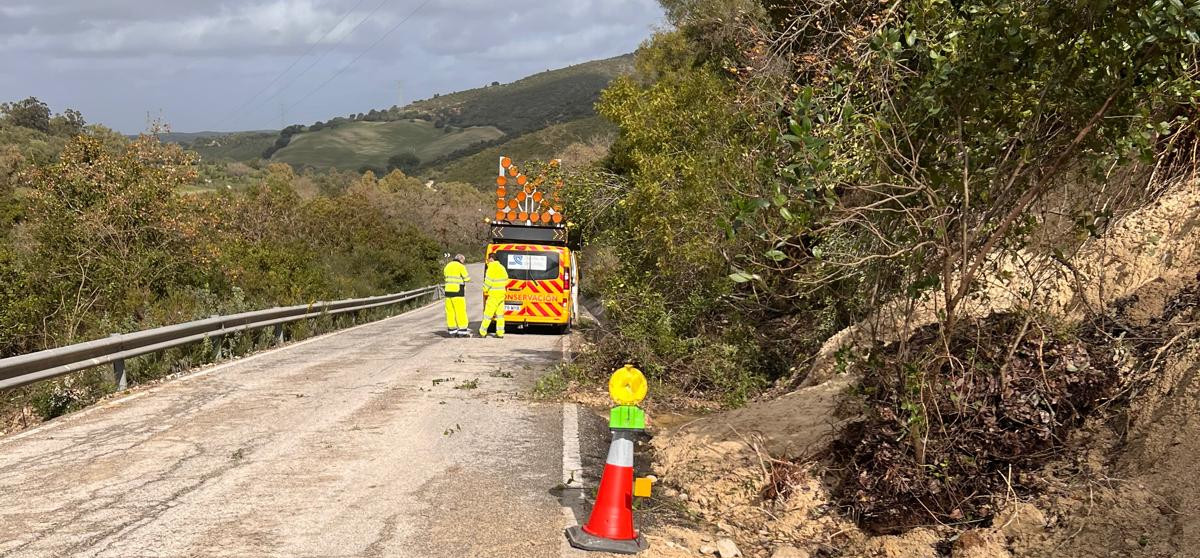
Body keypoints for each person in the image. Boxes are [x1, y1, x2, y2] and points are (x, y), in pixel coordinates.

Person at [479, 253, 509, 338]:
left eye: (488, 259)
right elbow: (506, 279)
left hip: (493, 295)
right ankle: (500, 333)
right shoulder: (502, 267)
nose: (488, 261)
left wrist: (485, 289)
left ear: (491, 259)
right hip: (501, 295)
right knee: (500, 316)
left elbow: (488, 281)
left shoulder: (491, 268)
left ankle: (482, 332)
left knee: (488, 315)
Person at [443, 254, 471, 337]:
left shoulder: (447, 266)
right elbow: (467, 278)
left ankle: (452, 331)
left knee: (450, 312)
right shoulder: (461, 266)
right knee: (460, 311)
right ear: (461, 260)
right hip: (458, 292)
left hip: (448, 292)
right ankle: (462, 331)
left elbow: (445, 276)